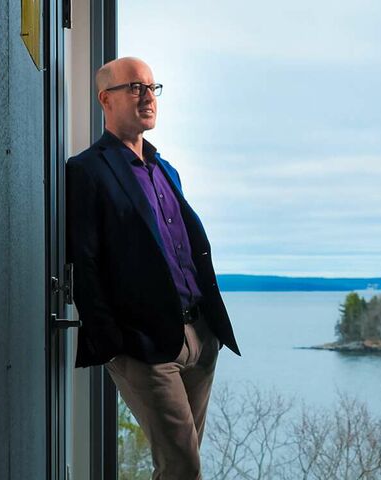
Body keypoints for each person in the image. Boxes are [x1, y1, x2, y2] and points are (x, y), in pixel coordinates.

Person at [66, 57, 240, 479]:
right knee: (182, 465)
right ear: (106, 100)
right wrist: (112, 341)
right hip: (144, 346)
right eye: (135, 87)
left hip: (200, 335)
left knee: (181, 464)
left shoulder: (167, 171)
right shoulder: (86, 170)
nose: (147, 96)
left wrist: (209, 333)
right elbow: (84, 262)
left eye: (151, 87)